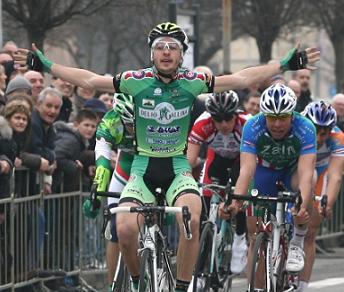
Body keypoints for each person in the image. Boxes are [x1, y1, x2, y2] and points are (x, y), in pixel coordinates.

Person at [14, 22, 320, 291]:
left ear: (182, 54)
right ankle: (135, 280)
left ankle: (182, 286)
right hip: (143, 169)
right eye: (160, 47)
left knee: (193, 214)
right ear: (152, 53)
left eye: (173, 47)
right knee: (123, 228)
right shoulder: (136, 80)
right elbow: (91, 81)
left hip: (176, 168)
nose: (166, 52)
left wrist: (285, 63)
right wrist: (45, 64)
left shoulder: (191, 81)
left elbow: (241, 79)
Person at [220, 83, 317, 290]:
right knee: (255, 235)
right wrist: (236, 201)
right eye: (272, 117)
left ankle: (297, 240)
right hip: (264, 171)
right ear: (264, 115)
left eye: (283, 117)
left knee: (311, 181)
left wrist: (302, 205)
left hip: (292, 172)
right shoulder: (253, 126)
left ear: (292, 115)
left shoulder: (306, 127)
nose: (277, 124)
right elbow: (246, 170)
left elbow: (306, 173)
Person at [187, 90, 249, 274]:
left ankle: (240, 239)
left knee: (238, 195)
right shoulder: (202, 124)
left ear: (236, 114)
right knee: (204, 203)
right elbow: (189, 162)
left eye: (228, 118)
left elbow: (251, 165)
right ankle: (201, 269)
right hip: (217, 160)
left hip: (241, 160)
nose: (223, 124)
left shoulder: (246, 124)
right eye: (218, 119)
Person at [83, 93, 135, 291]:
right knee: (115, 227)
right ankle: (113, 284)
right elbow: (103, 162)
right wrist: (96, 194)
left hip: (150, 165)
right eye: (127, 123)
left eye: (134, 123)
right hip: (125, 168)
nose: (131, 128)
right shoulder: (110, 121)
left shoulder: (152, 116)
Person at [299, 101, 344, 292]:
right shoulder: (297, 129)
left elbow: (335, 176)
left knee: (311, 230)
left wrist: (327, 204)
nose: (318, 137)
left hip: (320, 172)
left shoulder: (338, 138)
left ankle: (301, 285)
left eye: (323, 132)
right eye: (315, 130)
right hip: (297, 170)